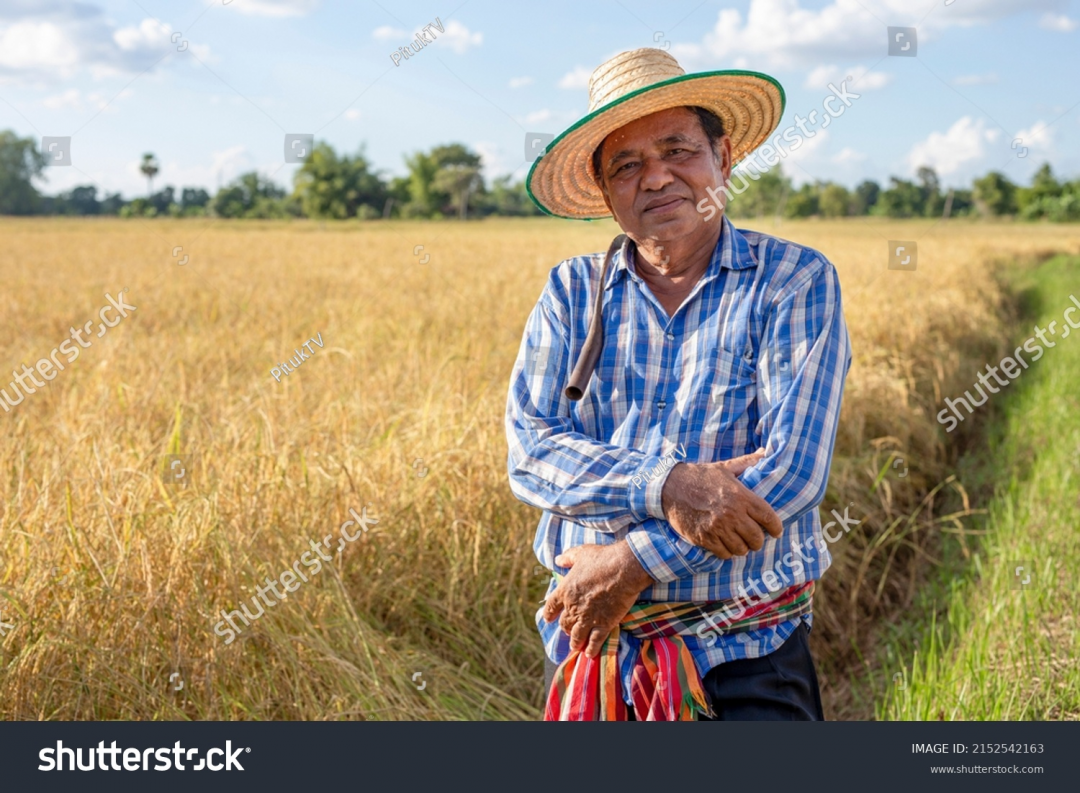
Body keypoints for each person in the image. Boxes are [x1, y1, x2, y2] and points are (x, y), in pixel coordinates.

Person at [505, 48, 852, 720]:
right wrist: (673, 485)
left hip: (748, 647)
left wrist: (633, 558)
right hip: (596, 649)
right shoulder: (571, 294)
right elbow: (530, 449)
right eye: (626, 165)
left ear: (723, 158)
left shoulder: (793, 281)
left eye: (677, 150)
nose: (657, 178)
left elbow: (791, 474)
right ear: (606, 194)